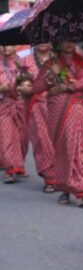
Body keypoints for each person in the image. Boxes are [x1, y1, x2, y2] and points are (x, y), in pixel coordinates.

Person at [33, 40, 83, 207]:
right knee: (64, 149)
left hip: (78, 108)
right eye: (64, 39)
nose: (69, 43)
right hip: (57, 110)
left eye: (72, 39)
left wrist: (68, 86)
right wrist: (51, 76)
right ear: (57, 43)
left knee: (82, 150)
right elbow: (37, 87)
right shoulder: (50, 63)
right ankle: (67, 188)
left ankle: (82, 190)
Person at [18, 43, 56, 191]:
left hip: (58, 105)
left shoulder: (60, 60)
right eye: (39, 39)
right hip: (36, 105)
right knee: (41, 140)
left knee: (60, 141)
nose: (43, 42)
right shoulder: (25, 61)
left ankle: (64, 175)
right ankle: (50, 177)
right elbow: (18, 83)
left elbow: (69, 80)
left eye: (47, 39)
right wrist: (23, 88)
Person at [0, 45, 28, 183]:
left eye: (8, 44)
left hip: (22, 104)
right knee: (6, 138)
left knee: (22, 138)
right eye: (3, 45)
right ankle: (10, 169)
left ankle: (19, 165)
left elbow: (30, 81)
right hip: (4, 104)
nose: (5, 48)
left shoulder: (23, 63)